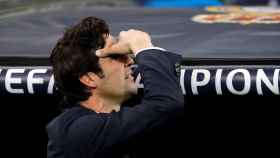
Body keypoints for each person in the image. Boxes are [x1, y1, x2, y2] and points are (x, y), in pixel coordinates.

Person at [46, 16, 184, 158]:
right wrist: (143, 46)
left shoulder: (112, 123)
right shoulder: (76, 131)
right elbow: (165, 104)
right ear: (89, 78)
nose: (130, 60)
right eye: (116, 56)